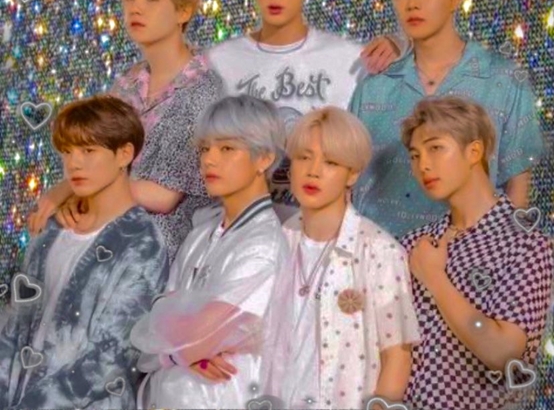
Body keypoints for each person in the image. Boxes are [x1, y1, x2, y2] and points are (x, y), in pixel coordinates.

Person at [28, 0, 223, 262]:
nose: (136, 7)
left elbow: (164, 197)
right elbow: (98, 160)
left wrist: (81, 194)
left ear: (183, 11)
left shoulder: (204, 89)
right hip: (114, 225)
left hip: (164, 248)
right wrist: (68, 194)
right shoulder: (127, 84)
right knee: (50, 235)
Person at [206, 0, 407, 219]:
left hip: (321, 229)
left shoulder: (348, 59)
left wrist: (402, 45)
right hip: (240, 225)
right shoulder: (219, 61)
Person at [349, 0, 545, 238]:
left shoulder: (503, 80)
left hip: (471, 256)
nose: (412, 3)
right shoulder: (374, 88)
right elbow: (348, 180)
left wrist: (505, 256)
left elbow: (517, 183)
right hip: (378, 255)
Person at [0, 95, 169, 409]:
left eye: (88, 150)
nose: (74, 163)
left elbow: (111, 356)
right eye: (67, 151)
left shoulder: (142, 243)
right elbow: (14, 326)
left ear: (124, 154)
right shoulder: (52, 229)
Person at [130, 95, 289, 409]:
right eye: (204, 148)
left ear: (264, 158)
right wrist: (178, 349)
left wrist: (174, 348)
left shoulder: (263, 243)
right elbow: (152, 327)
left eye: (227, 148)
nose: (209, 160)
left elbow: (197, 338)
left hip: (225, 398)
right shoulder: (200, 234)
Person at [260, 107, 420, 409]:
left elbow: (397, 357)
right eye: (304, 157)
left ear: (353, 173)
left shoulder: (380, 251)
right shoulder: (276, 242)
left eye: (331, 162)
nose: (313, 171)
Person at [398, 96, 552, 410]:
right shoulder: (412, 245)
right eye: (414, 155)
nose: (423, 164)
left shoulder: (527, 245)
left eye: (435, 148)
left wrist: (435, 280)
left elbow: (503, 353)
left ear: (474, 151)